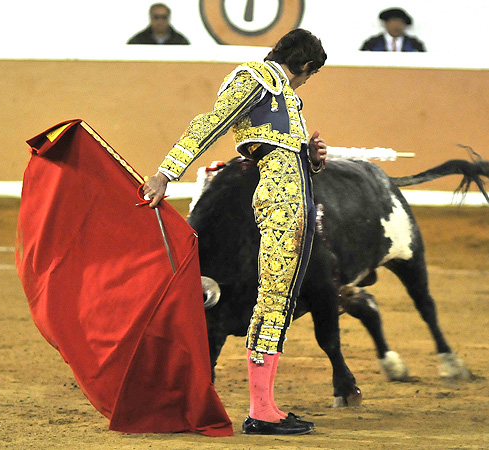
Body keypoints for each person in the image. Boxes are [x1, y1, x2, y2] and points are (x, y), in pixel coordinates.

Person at [143, 28, 328, 435]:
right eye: (309, 74)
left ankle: (265, 406)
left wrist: (311, 158)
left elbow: (282, 155)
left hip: (292, 198)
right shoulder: (257, 78)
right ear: (305, 65)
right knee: (275, 299)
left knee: (280, 297)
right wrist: (165, 173)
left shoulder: (282, 94)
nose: (305, 82)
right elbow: (210, 123)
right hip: (281, 201)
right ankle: (261, 411)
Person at [360, 7, 425, 52]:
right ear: (385, 24)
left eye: (400, 23)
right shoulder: (372, 44)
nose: (396, 26)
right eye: (393, 22)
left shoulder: (415, 44)